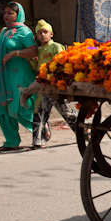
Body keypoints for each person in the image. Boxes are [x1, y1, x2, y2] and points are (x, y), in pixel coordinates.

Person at [0, 2, 38, 151]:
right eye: (5, 12)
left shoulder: (24, 31)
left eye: (11, 13)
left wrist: (15, 53)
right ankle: (11, 141)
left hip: (20, 73)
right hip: (4, 76)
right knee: (2, 108)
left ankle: (40, 129)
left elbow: (34, 51)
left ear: (18, 14)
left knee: (19, 105)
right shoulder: (4, 32)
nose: (7, 16)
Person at [29, 19, 78, 150]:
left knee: (66, 112)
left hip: (55, 88)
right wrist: (31, 61)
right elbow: (37, 67)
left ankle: (84, 132)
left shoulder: (56, 47)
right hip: (43, 87)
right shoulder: (39, 51)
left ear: (51, 34)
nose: (42, 35)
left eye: (45, 32)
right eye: (39, 33)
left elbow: (62, 63)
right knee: (39, 113)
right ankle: (38, 142)